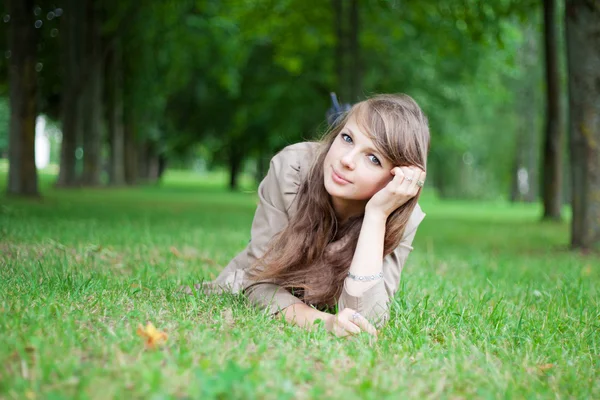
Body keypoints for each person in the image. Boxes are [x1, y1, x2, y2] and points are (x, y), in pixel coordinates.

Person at [197, 93, 429, 338]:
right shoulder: (292, 169)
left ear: (396, 178)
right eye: (347, 138)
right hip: (244, 286)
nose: (346, 160)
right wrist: (323, 322)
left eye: (373, 159)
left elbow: (366, 319)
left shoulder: (400, 214)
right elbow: (259, 282)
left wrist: (376, 216)